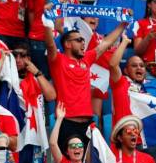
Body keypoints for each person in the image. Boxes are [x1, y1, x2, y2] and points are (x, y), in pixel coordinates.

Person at [45, 16, 127, 148]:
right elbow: (49, 44)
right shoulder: (58, 61)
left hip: (88, 123)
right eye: (79, 40)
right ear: (67, 44)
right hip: (67, 122)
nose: (83, 43)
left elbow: (105, 44)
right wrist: (47, 20)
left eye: (83, 40)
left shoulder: (86, 60)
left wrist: (123, 24)